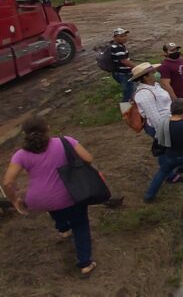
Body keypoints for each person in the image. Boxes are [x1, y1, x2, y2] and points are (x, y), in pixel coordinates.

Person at [3, 116, 98, 276]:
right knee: (80, 224)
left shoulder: (21, 154)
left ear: (25, 133)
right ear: (47, 128)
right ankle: (85, 263)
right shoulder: (65, 142)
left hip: (38, 200)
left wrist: (15, 200)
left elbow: (7, 183)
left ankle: (63, 229)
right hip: (69, 194)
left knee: (53, 205)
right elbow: (88, 158)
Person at [131, 62, 172, 143]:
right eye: (153, 72)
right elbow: (154, 117)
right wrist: (164, 136)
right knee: (166, 151)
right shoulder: (144, 93)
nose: (157, 73)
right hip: (161, 127)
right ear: (146, 77)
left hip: (168, 122)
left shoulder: (155, 85)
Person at [157, 42, 183, 112]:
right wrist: (175, 100)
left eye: (176, 50)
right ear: (165, 53)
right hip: (180, 99)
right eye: (172, 51)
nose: (175, 52)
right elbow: (165, 85)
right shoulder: (164, 66)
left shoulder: (182, 61)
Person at [109, 28, 137, 102]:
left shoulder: (116, 45)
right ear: (115, 37)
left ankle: (131, 106)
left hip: (120, 73)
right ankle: (126, 110)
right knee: (129, 92)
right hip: (123, 74)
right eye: (121, 36)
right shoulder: (118, 47)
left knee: (131, 90)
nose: (124, 38)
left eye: (125, 35)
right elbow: (124, 61)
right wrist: (138, 67)